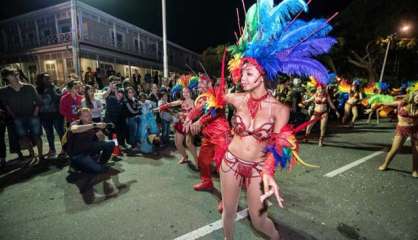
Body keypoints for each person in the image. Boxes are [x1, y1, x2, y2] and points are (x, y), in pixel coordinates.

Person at [214, 1, 335, 238]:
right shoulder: (237, 99)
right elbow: (215, 99)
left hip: (258, 169)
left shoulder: (280, 110)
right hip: (229, 162)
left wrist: (269, 171)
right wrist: (201, 110)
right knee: (228, 212)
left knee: (259, 220)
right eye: (242, 73)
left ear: (262, 76)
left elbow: (280, 144)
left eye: (248, 74)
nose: (242, 79)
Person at [183, 75, 230, 191]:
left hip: (220, 135)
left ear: (208, 83)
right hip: (208, 135)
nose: (198, 86)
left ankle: (227, 197)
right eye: (198, 83)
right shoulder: (204, 97)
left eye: (200, 83)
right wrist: (189, 118)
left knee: (222, 166)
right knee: (203, 160)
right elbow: (197, 109)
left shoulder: (218, 94)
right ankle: (207, 182)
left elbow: (214, 112)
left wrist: (200, 121)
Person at [1, 68, 44, 160]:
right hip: (18, 118)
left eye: (16, 74)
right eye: (12, 75)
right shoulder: (4, 91)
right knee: (24, 137)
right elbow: (6, 105)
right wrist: (14, 116)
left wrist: (35, 114)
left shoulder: (29, 87)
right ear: (7, 78)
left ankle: (40, 155)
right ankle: (32, 154)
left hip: (32, 116)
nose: (16, 76)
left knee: (37, 136)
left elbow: (38, 101)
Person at [156, 75, 198, 165]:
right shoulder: (181, 101)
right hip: (181, 124)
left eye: (187, 92)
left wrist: (183, 115)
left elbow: (195, 115)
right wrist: (159, 108)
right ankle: (185, 157)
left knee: (189, 143)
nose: (185, 94)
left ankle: (197, 161)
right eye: (183, 92)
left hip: (189, 125)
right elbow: (170, 104)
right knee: (177, 143)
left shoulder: (195, 102)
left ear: (190, 92)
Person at [378, 91, 418, 177]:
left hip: (415, 130)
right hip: (402, 129)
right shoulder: (402, 104)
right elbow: (388, 103)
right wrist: (377, 104)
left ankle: (415, 170)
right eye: (417, 96)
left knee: (416, 151)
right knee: (395, 149)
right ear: (413, 96)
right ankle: (385, 164)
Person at [302, 79, 340, 146]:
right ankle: (306, 137)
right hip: (316, 113)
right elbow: (309, 100)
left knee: (322, 128)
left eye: (321, 89)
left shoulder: (326, 95)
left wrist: (336, 111)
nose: (320, 90)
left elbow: (331, 104)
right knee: (309, 126)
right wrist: (305, 102)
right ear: (317, 89)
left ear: (323, 89)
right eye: (319, 88)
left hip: (324, 113)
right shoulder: (315, 95)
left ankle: (320, 141)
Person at [36, 73, 65, 158]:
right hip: (44, 115)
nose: (49, 79)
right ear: (41, 80)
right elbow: (36, 102)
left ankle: (64, 149)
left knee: (61, 132)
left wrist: (52, 88)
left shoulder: (55, 88)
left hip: (56, 114)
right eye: (46, 78)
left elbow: (59, 98)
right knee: (49, 134)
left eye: (49, 78)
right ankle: (52, 149)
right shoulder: (37, 90)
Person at [123, 86, 142, 152]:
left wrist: (138, 107)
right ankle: (133, 146)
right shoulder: (126, 101)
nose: (131, 94)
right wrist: (139, 110)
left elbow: (139, 105)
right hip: (130, 119)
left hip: (136, 117)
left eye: (132, 92)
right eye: (129, 92)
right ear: (126, 93)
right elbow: (132, 111)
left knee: (137, 132)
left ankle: (136, 145)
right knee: (132, 133)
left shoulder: (133, 99)